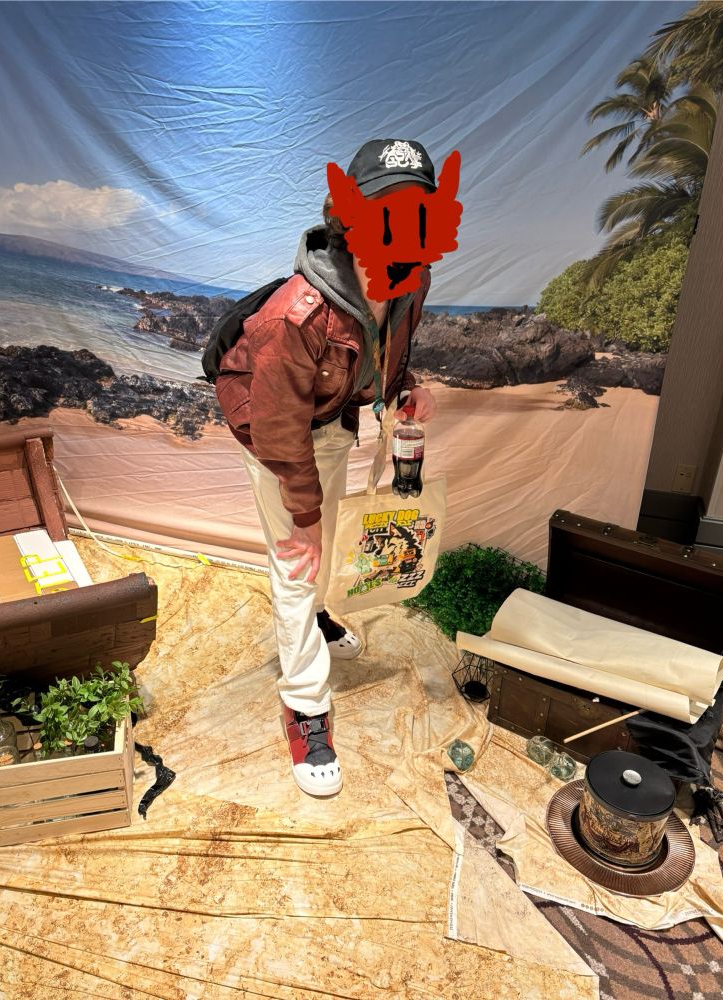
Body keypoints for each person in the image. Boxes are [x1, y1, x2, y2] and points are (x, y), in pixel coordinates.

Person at [216, 138, 438, 797]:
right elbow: (278, 429)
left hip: (329, 416)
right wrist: (304, 513)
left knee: (328, 540)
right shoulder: (295, 314)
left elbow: (383, 350)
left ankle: (313, 619)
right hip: (271, 426)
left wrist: (404, 389)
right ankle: (305, 705)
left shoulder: (413, 279)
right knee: (298, 561)